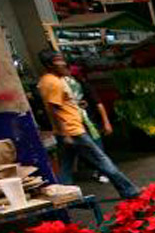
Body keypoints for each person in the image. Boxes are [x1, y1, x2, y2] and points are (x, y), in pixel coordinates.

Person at [37, 50, 139, 199]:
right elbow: (55, 109)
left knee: (65, 167)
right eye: (58, 61)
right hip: (73, 131)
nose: (64, 64)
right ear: (49, 65)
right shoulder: (53, 82)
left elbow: (60, 106)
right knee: (102, 161)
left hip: (66, 131)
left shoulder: (48, 80)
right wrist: (65, 133)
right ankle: (129, 190)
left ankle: (66, 198)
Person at [65, 65, 112, 183]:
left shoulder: (84, 87)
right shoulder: (65, 91)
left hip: (89, 124)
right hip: (74, 125)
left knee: (98, 151)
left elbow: (99, 104)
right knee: (83, 153)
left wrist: (106, 123)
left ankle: (105, 172)